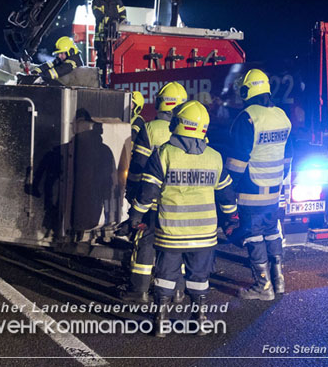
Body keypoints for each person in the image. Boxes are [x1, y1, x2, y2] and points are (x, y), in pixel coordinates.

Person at [127, 101, 236, 337]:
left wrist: (135, 216)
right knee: (199, 277)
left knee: (166, 276)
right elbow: (226, 194)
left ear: (178, 124)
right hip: (204, 234)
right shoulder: (215, 157)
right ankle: (201, 319)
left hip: (172, 232)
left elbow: (148, 193)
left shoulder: (164, 153)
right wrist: (230, 218)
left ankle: (161, 321)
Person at [224, 69, 292, 300]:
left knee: (253, 235)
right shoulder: (282, 115)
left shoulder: (248, 117)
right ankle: (279, 280)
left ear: (247, 90)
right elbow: (289, 153)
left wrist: (227, 186)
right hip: (274, 188)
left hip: (251, 189)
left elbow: (238, 158)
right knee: (272, 231)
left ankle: (262, 287)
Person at [121, 82, 187, 304]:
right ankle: (178, 290)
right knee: (177, 244)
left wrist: (132, 194)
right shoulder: (193, 133)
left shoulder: (151, 128)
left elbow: (138, 167)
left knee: (146, 241)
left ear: (161, 103)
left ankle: (139, 290)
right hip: (182, 201)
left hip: (153, 201)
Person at [91, 0, 126, 73]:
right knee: (102, 59)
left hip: (114, 36)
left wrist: (121, 22)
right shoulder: (96, 1)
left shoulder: (116, 0)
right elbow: (98, 14)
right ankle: (99, 78)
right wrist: (108, 19)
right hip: (101, 37)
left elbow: (123, 14)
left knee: (113, 59)